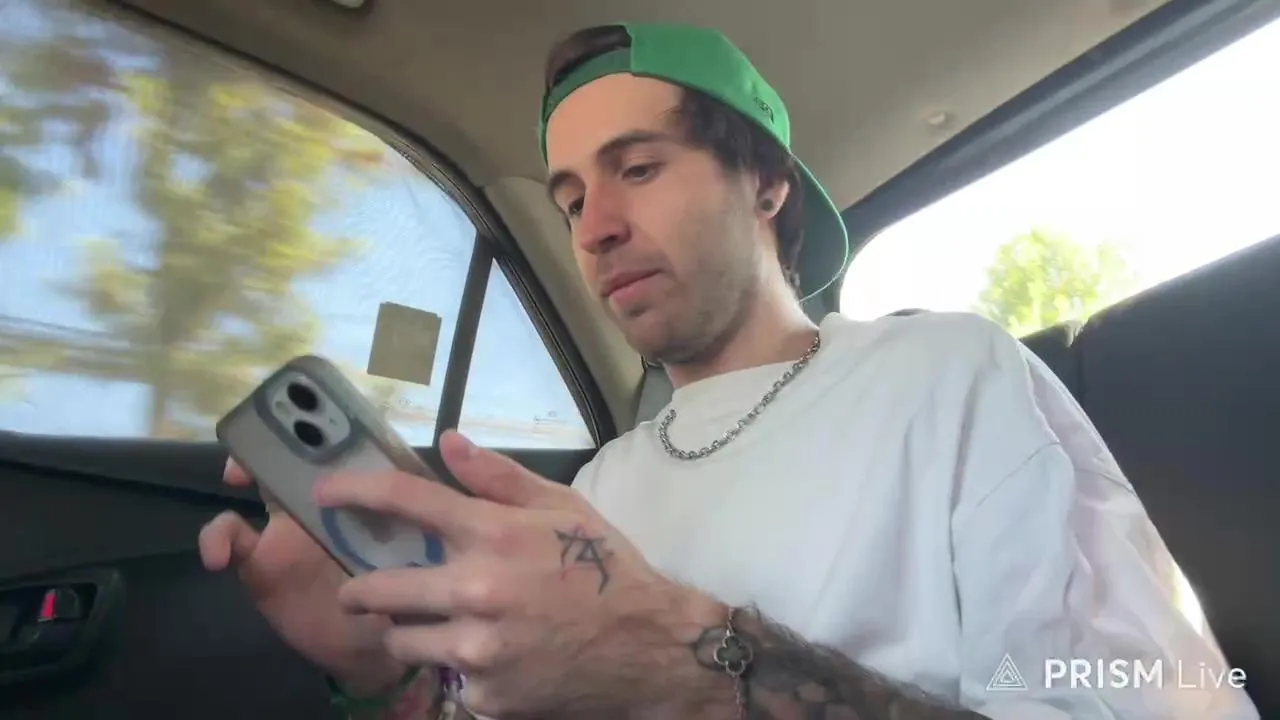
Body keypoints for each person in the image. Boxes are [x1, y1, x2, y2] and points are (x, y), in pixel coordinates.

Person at [198, 22, 1259, 720]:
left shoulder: (946, 372)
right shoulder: (598, 487)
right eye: (571, 201)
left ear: (764, 181)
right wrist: (380, 675)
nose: (595, 229)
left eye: (638, 168)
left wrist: (679, 661)